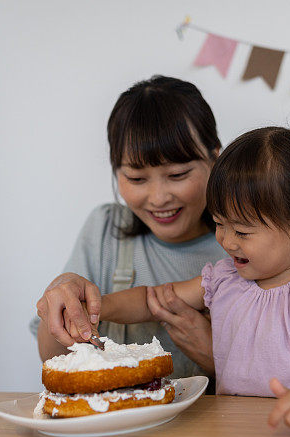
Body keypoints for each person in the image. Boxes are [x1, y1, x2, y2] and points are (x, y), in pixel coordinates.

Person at [93, 127, 290, 437]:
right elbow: (152, 300)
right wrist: (97, 305)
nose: (225, 240)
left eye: (242, 231)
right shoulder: (224, 279)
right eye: (219, 224)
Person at [31, 75, 227, 379]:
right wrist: (61, 299)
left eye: (177, 175)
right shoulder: (105, 231)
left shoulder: (248, 247)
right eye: (136, 179)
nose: (159, 197)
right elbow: (53, 359)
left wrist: (218, 358)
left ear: (215, 159)